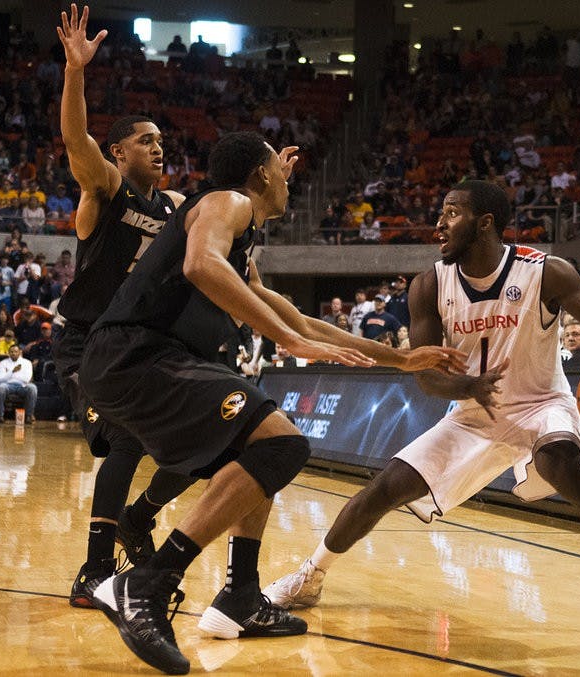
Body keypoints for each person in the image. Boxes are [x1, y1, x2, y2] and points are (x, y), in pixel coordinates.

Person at [79, 132, 467, 673]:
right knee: (283, 444)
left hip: (141, 360)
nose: (290, 180)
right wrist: (288, 340)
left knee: (262, 441)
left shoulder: (242, 241)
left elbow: (300, 320)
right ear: (260, 176)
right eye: (280, 173)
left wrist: (400, 360)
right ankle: (146, 582)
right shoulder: (225, 201)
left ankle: (239, 596)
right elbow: (200, 265)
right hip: (136, 354)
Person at [263, 180, 580, 640]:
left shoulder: (546, 272)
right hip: (473, 414)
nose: (438, 224)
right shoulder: (430, 285)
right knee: (385, 488)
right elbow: (426, 375)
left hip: (542, 404)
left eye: (451, 213)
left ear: (485, 223)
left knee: (562, 466)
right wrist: (468, 385)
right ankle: (311, 575)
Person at [54, 4, 199, 609]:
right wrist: (76, 72)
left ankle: (138, 518)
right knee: (121, 439)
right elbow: (73, 138)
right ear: (119, 152)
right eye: (146, 141)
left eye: (163, 142)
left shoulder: (174, 208)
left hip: (137, 345)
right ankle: (92, 573)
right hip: (85, 344)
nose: (159, 149)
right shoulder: (105, 189)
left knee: (202, 436)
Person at [0, 343, 38, 423]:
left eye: (15, 351)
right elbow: (0, 379)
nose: (13, 353)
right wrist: (12, 371)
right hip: (8, 386)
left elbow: (26, 379)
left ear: (20, 352)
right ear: (8, 353)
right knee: (1, 388)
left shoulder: (27, 362)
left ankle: (29, 415)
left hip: (23, 386)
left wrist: (8, 376)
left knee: (32, 388)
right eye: (11, 352)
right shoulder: (3, 363)